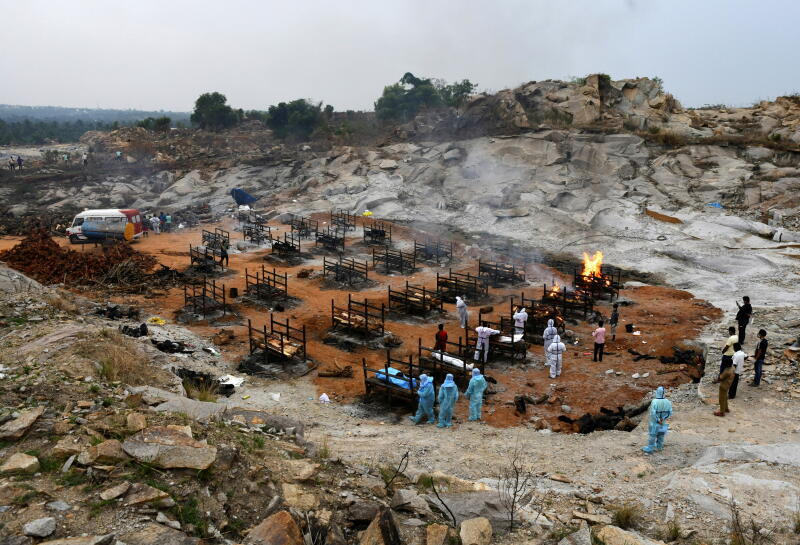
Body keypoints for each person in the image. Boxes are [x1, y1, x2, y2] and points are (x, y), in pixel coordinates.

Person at [641, 386, 673, 453]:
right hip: (663, 422)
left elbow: (653, 413)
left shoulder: (654, 401)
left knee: (652, 435)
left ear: (657, 392)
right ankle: (659, 447)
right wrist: (663, 418)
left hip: (654, 421)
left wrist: (658, 420)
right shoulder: (668, 401)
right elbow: (670, 412)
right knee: (661, 435)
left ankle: (650, 448)